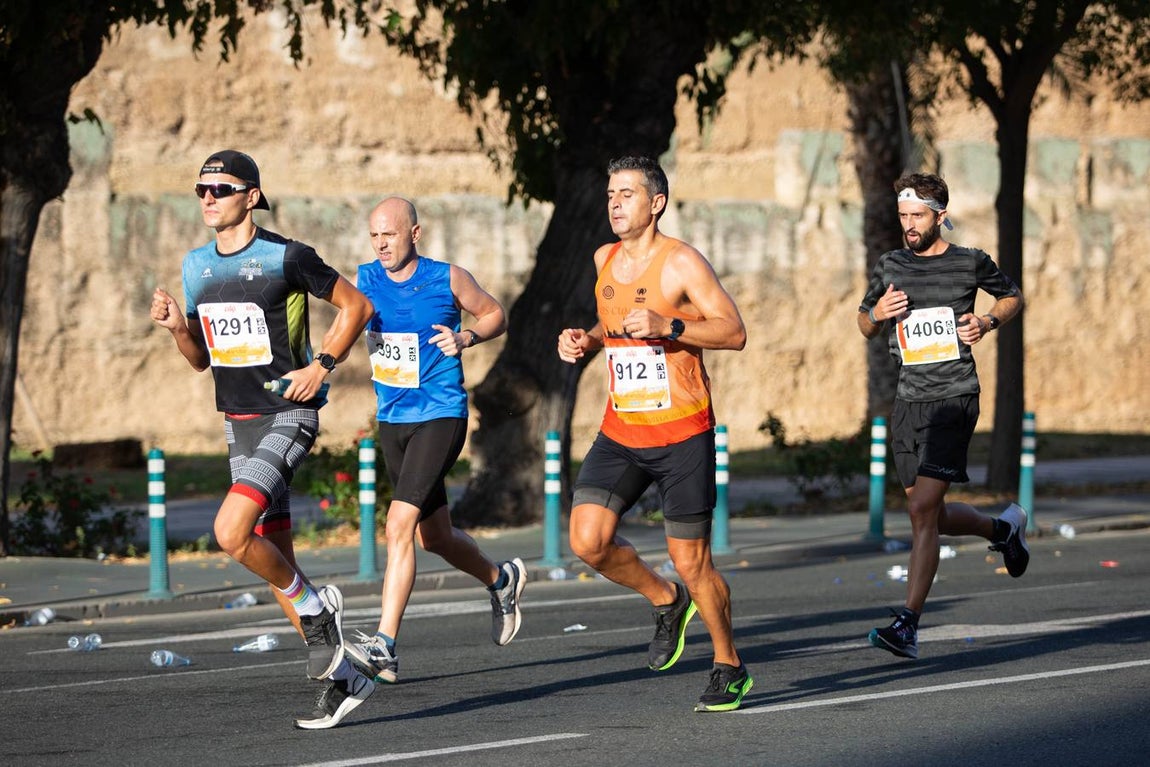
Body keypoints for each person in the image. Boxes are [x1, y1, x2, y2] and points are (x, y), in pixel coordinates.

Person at [150, 150, 377, 729]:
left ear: (251, 196)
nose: (207, 197)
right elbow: (203, 361)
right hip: (238, 421)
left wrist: (321, 366)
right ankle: (346, 677)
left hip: (287, 414)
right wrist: (179, 326)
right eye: (200, 188)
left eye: (221, 188)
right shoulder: (197, 266)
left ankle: (320, 610)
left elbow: (357, 305)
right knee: (278, 562)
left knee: (230, 532)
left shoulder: (286, 256)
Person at [557, 156, 752, 713]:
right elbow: (611, 321)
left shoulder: (683, 263)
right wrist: (587, 341)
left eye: (626, 194)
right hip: (622, 428)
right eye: (610, 194)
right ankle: (666, 601)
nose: (615, 203)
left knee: (694, 561)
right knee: (587, 541)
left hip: (682, 433)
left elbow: (734, 331)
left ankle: (728, 665)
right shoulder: (604, 258)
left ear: (656, 203)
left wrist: (671, 326)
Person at [344, 196, 525, 685]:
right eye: (375, 235)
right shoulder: (363, 280)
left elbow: (495, 315)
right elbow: (342, 319)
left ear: (415, 234)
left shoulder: (448, 277)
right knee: (434, 536)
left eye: (391, 234)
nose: (381, 244)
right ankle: (500, 580)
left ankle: (384, 645)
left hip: (441, 413)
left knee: (398, 525)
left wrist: (466, 338)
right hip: (393, 419)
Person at [857, 172, 1028, 660]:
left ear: (939, 215)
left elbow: (1013, 296)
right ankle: (1002, 529)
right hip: (909, 402)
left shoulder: (970, 262)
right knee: (927, 514)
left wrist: (988, 320)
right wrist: (878, 313)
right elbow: (863, 324)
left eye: (917, 216)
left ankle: (907, 624)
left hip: (954, 397)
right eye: (903, 217)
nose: (909, 225)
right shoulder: (890, 264)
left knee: (919, 511)